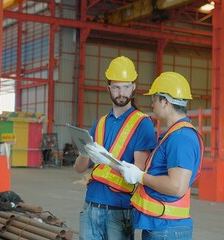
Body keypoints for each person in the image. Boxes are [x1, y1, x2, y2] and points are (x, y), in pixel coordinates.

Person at [74, 56, 156, 240]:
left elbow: (139, 173)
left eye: (126, 87)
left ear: (134, 87)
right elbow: (79, 169)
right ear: (108, 88)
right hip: (91, 205)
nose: (121, 92)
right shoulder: (100, 123)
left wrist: (107, 161)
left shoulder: (142, 124)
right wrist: (82, 151)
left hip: (120, 210)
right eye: (117, 87)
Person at [118, 72, 204, 240]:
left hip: (167, 229)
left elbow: (176, 186)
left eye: (155, 99)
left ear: (165, 101)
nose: (152, 104)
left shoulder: (180, 138)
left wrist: (140, 177)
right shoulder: (174, 135)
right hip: (163, 226)